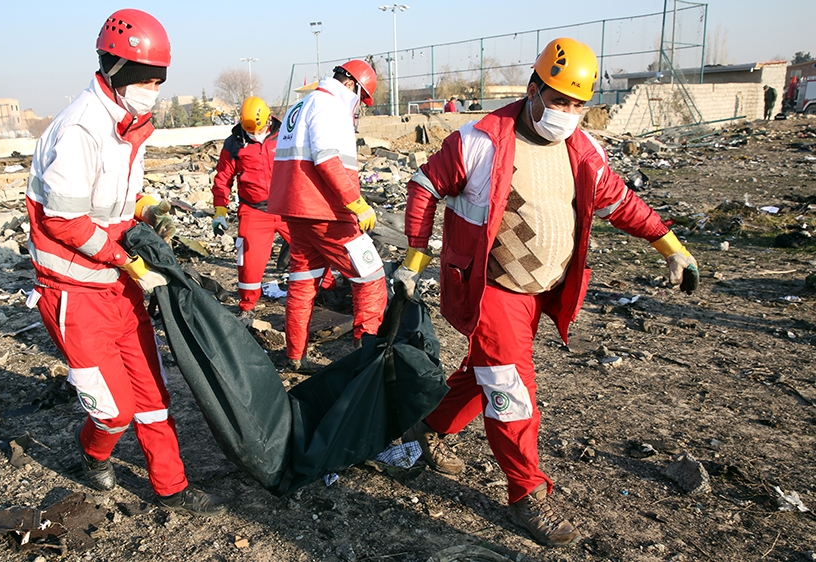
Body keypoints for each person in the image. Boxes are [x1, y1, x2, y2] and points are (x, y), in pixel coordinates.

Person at [393, 38, 699, 547]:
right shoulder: (481, 140)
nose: (567, 114)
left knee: (486, 372)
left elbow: (620, 201)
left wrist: (670, 246)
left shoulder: (583, 149)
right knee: (512, 389)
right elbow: (425, 186)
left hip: (541, 292)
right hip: (492, 289)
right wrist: (414, 259)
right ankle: (526, 493)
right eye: (559, 100)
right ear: (533, 90)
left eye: (578, 105)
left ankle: (427, 425)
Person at [25, 8, 223, 515]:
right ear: (110, 69)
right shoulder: (81, 130)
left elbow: (117, 199)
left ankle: (172, 487)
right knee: (115, 411)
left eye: (157, 79)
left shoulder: (128, 126)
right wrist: (123, 259)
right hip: (74, 292)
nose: (151, 87)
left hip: (117, 286)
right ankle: (92, 452)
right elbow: (63, 222)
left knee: (153, 395)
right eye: (142, 78)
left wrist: (149, 208)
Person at [270, 59, 386, 372]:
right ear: (352, 85)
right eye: (362, 98)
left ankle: (295, 355)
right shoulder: (329, 104)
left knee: (303, 282)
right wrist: (356, 202)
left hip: (297, 211)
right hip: (327, 212)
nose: (360, 106)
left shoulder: (301, 104)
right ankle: (368, 360)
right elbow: (326, 159)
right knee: (371, 276)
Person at [212, 96, 289, 319]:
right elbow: (223, 177)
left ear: (269, 118)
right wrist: (220, 210)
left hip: (287, 207)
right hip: (254, 211)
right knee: (248, 261)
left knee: (313, 249)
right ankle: (247, 306)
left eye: (261, 128)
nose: (256, 134)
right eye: (251, 131)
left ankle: (328, 289)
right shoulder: (234, 143)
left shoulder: (285, 134)